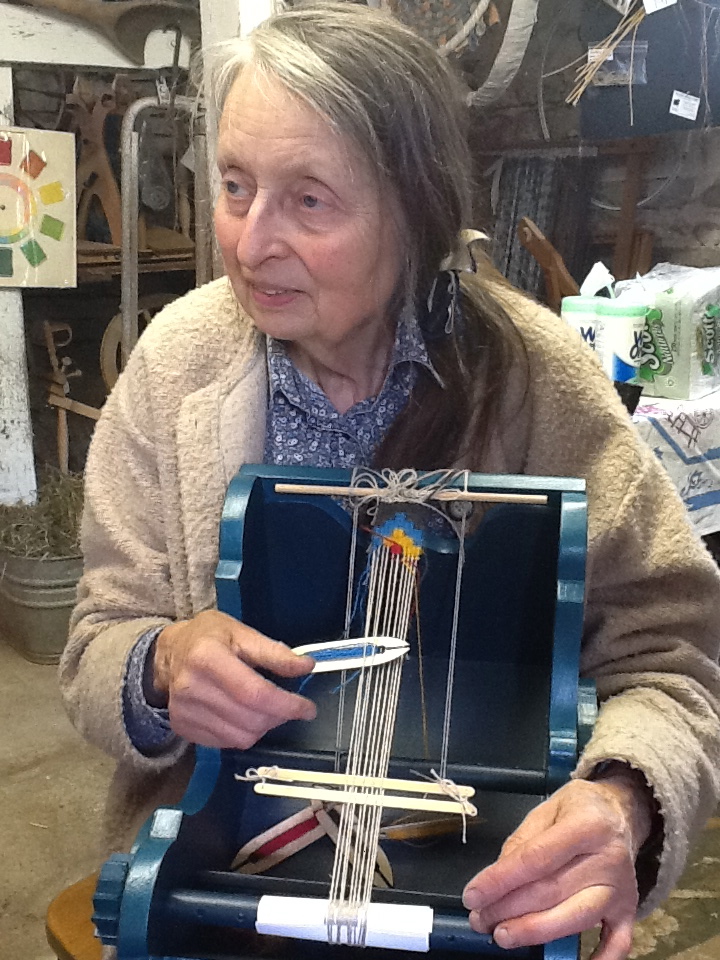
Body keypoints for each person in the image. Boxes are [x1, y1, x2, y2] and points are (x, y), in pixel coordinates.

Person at [60, 4, 720, 959]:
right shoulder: (177, 365)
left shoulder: (536, 379)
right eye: (236, 186)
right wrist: (158, 666)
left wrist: (626, 800)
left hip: (480, 894)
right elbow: (97, 641)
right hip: (226, 889)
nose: (249, 242)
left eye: (309, 201)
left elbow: (676, 661)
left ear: (415, 211)